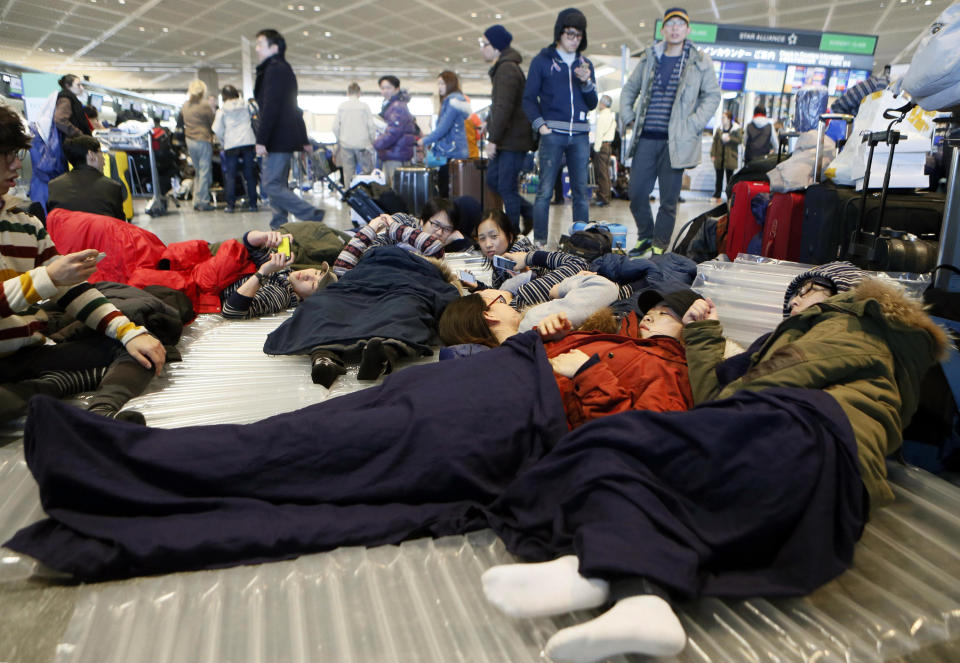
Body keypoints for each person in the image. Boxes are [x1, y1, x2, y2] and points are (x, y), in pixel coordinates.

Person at [479, 261, 945, 663]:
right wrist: (702, 336)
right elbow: (717, 396)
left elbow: (769, 383)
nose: (799, 299)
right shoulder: (789, 339)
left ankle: (595, 569)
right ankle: (640, 597)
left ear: (843, 299)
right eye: (796, 292)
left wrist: (702, 406)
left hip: (817, 429)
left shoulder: (861, 325)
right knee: (626, 443)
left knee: (632, 440)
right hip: (790, 440)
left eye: (812, 291)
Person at [0, 104, 166, 424]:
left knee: (145, 344)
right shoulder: (110, 188)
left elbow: (70, 289)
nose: (14, 164)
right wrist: (47, 278)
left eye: (16, 154)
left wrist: (129, 333)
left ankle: (98, 409)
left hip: (29, 353)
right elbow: (53, 279)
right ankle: (56, 392)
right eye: (5, 154)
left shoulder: (26, 222)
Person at [620, 7, 720, 258]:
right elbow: (629, 89)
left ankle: (659, 245)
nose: (675, 28)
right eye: (670, 24)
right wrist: (629, 117)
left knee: (668, 199)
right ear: (663, 29)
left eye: (680, 24)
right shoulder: (650, 57)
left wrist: (693, 124)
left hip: (676, 142)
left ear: (687, 30)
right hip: (646, 138)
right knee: (637, 193)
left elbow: (712, 95)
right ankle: (645, 236)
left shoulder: (699, 60)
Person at [523, 8, 598, 245]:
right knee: (544, 192)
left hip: (580, 136)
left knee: (580, 194)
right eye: (570, 34)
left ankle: (581, 242)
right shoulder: (542, 61)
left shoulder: (585, 64)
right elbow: (528, 98)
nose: (574, 40)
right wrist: (540, 125)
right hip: (552, 133)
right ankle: (540, 242)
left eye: (578, 35)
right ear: (559, 33)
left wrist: (586, 82)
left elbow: (593, 103)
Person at [254, 28, 326, 229]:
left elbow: (271, 106)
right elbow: (293, 107)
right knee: (278, 184)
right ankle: (279, 226)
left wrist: (261, 139)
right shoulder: (282, 69)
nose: (257, 49)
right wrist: (303, 139)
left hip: (277, 137)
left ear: (274, 48)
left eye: (260, 44)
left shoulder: (275, 69)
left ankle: (310, 213)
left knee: (271, 185)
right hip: (282, 137)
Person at [480, 24, 535, 234]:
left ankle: (511, 236)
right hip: (508, 138)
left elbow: (504, 106)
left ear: (495, 46)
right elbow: (500, 105)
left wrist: (492, 139)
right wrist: (489, 122)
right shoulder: (505, 67)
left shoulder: (507, 69)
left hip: (513, 140)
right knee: (493, 180)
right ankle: (529, 212)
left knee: (506, 188)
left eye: (485, 44)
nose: (482, 48)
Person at [220, 230, 336, 319]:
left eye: (313, 284)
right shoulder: (284, 270)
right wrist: (264, 236)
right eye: (316, 272)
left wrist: (262, 273)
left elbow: (231, 311)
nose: (309, 276)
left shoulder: (281, 295)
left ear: (308, 299)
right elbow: (250, 245)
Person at [47, 135, 125, 221]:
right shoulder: (112, 187)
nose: (104, 159)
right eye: (101, 152)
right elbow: (120, 225)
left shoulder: (54, 186)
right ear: (91, 155)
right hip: (99, 234)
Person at [419, 71, 471, 197]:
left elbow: (443, 128)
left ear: (450, 84)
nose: (440, 87)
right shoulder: (455, 101)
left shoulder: (452, 102)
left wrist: (424, 140)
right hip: (456, 151)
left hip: (451, 152)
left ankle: (446, 216)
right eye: (438, 84)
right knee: (453, 190)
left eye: (442, 83)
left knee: (446, 191)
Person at [213, 84, 259, 213]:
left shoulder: (222, 110)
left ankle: (230, 205)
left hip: (231, 144)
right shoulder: (246, 106)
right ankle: (253, 204)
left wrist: (223, 141)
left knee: (231, 176)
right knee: (250, 175)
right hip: (248, 142)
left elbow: (217, 129)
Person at [374, 75, 418, 187]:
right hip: (395, 152)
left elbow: (394, 132)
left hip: (396, 154)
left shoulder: (397, 106)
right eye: (382, 88)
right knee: (396, 187)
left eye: (388, 88)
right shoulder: (392, 105)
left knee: (395, 188)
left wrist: (376, 144)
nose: (385, 91)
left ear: (397, 89)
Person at [333, 82, 377, 188]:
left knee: (348, 173)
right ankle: (367, 195)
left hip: (346, 145)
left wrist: (339, 140)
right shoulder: (364, 106)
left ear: (347, 93)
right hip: (363, 145)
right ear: (359, 93)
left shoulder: (341, 107)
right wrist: (372, 141)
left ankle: (349, 195)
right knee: (366, 172)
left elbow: (335, 127)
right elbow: (371, 126)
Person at [182, 80, 215, 212]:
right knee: (204, 171)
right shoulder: (205, 105)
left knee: (198, 172)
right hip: (202, 139)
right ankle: (203, 201)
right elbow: (212, 122)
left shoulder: (185, 105)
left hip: (189, 140)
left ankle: (196, 199)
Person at [591, 94, 616, 207]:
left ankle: (603, 197)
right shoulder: (611, 116)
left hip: (601, 147)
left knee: (601, 173)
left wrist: (596, 149)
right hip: (608, 147)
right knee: (605, 172)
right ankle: (606, 195)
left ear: (603, 104)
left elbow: (599, 134)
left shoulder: (602, 116)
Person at [710, 110, 740, 201]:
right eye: (722, 118)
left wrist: (730, 138)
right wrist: (713, 154)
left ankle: (729, 196)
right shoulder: (719, 130)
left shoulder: (736, 129)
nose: (722, 119)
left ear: (729, 119)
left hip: (730, 157)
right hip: (720, 157)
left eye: (724, 118)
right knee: (719, 178)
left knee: (730, 179)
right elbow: (715, 143)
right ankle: (717, 195)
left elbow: (739, 140)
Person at [53, 75, 92, 141]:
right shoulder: (65, 99)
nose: (82, 88)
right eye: (78, 85)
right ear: (67, 86)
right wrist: (79, 134)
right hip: (71, 143)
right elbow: (59, 120)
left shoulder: (70, 98)